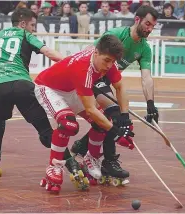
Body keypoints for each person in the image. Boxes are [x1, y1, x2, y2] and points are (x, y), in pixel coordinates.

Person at [34, 35, 135, 193]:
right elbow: (91, 110)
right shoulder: (83, 68)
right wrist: (116, 133)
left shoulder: (107, 61)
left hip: (71, 90)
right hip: (49, 88)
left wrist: (125, 119)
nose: (109, 66)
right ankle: (54, 166)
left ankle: (91, 158)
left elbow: (120, 87)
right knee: (69, 124)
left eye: (112, 62)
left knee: (103, 121)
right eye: (106, 60)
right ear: (96, 53)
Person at [71, 5, 160, 180]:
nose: (149, 29)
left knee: (113, 116)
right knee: (114, 113)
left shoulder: (144, 49)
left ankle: (82, 146)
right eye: (147, 24)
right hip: (91, 76)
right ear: (137, 20)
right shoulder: (116, 35)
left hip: (106, 79)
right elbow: (91, 52)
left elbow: (146, 77)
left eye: (152, 26)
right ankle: (108, 161)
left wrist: (151, 103)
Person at [0, 8, 65, 176]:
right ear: (22, 24)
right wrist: (71, 62)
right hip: (21, 84)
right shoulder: (24, 35)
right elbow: (48, 52)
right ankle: (72, 165)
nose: (33, 29)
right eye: (32, 25)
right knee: (45, 131)